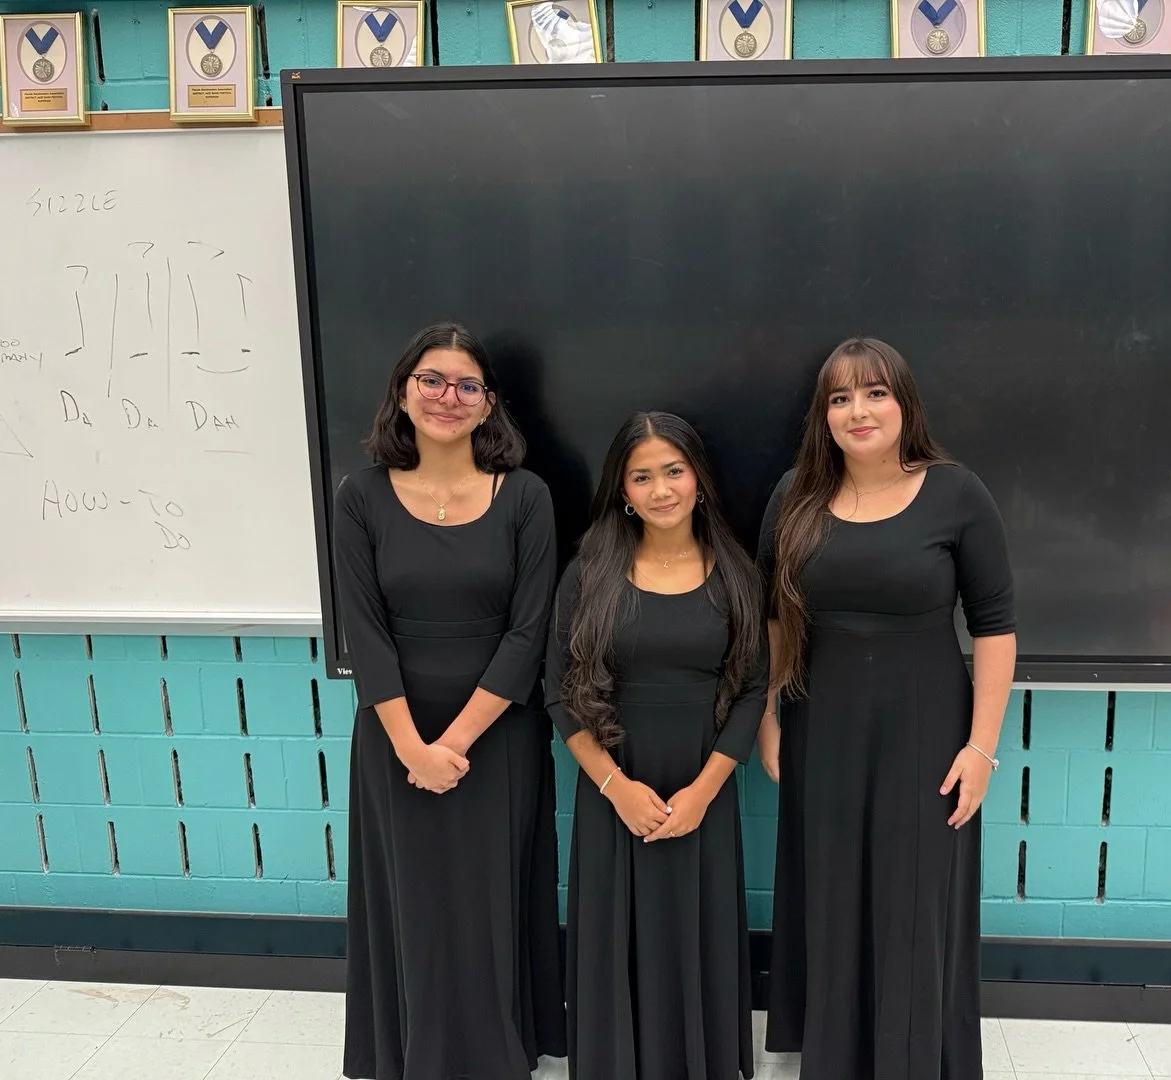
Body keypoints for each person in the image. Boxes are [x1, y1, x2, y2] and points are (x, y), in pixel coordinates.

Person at [758, 337, 1018, 1080]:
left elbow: (995, 626)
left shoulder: (957, 493)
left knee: (913, 898)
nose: (857, 410)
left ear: (904, 403)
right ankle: (836, 1056)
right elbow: (778, 621)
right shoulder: (793, 497)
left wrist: (982, 750)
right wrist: (769, 716)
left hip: (928, 730)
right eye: (839, 398)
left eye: (874, 392)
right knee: (832, 891)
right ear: (823, 415)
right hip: (822, 723)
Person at [332, 322, 566, 1080]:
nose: (447, 397)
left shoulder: (525, 496)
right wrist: (412, 748)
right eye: (431, 379)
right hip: (395, 736)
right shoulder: (360, 496)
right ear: (403, 391)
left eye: (467, 385)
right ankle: (413, 1052)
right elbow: (363, 634)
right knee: (414, 901)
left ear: (489, 404)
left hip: (496, 737)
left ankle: (500, 1050)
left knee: (490, 900)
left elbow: (529, 634)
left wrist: (453, 746)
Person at [546, 411, 769, 1080]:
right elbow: (558, 690)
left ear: (698, 478)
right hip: (617, 782)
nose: (661, 489)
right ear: (622, 490)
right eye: (641, 476)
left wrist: (704, 792)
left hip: (704, 785)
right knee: (618, 930)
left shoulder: (735, 572)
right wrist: (615, 787)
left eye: (674, 471)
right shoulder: (589, 572)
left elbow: (755, 690)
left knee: (696, 930)